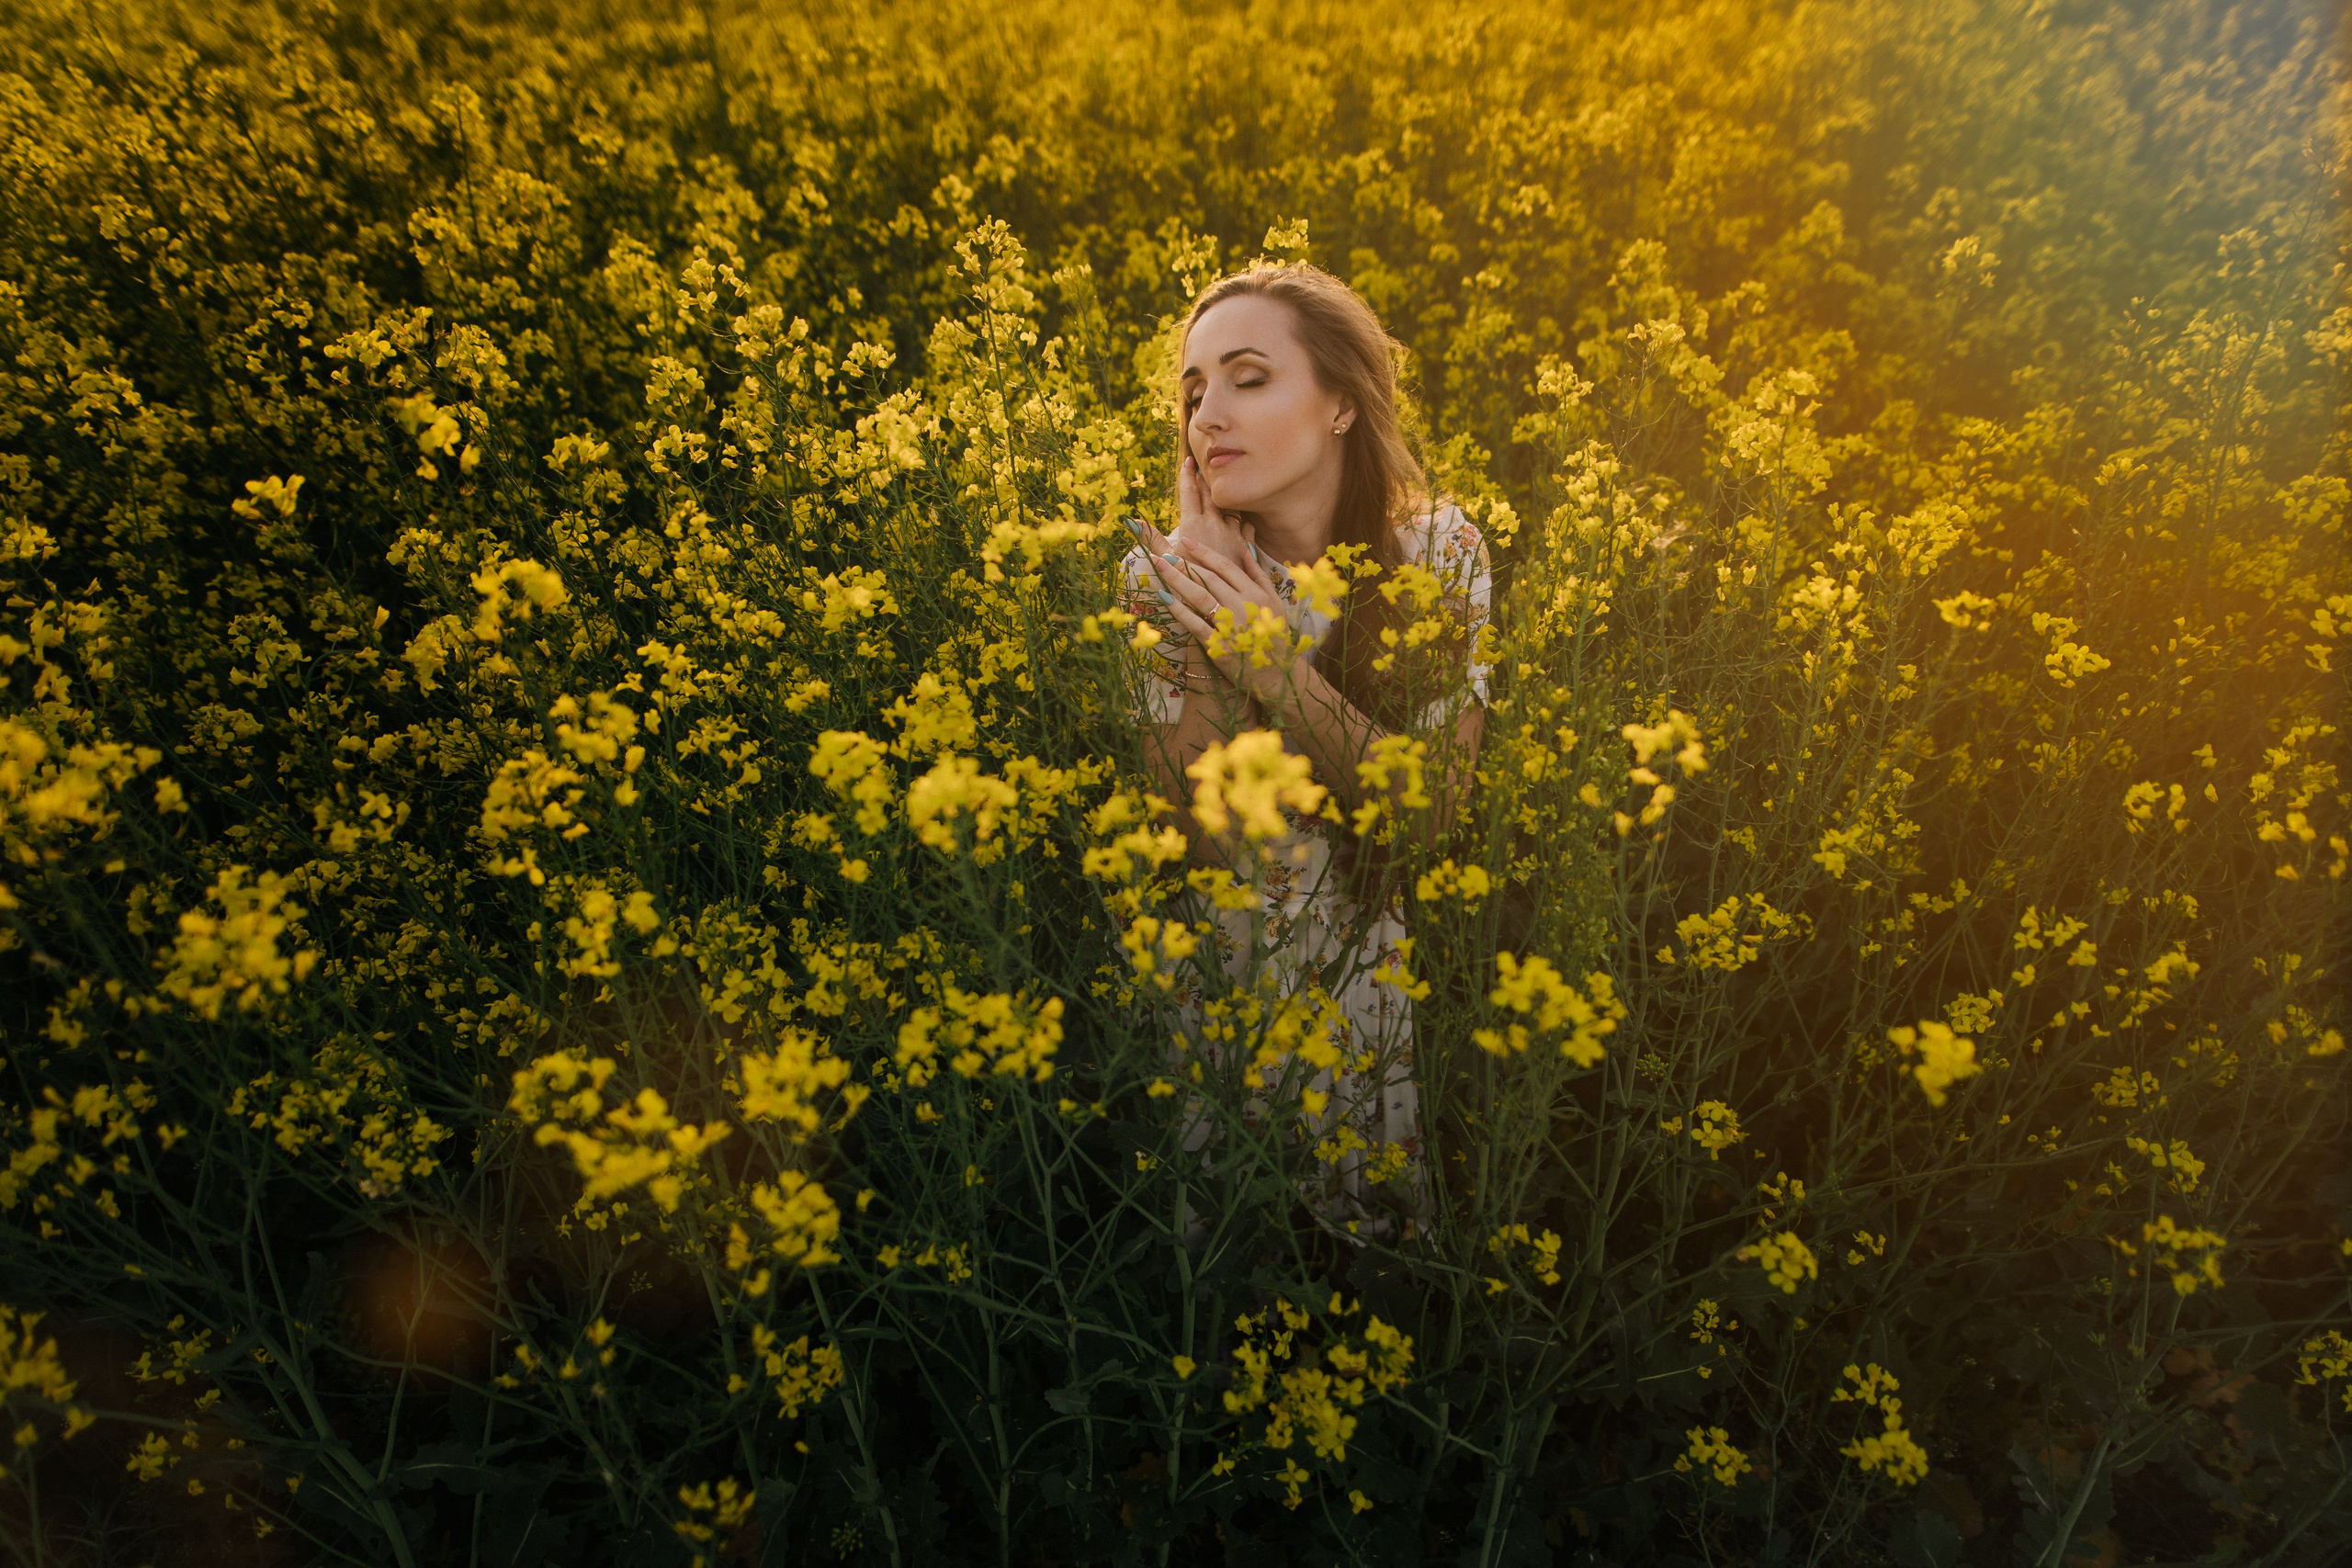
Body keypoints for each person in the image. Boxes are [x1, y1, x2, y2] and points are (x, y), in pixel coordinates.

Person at [1117, 263, 1493, 1238]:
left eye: (1248, 378)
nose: (1207, 416)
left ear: (1340, 405)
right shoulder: (1159, 577)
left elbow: (1429, 816)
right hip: (1223, 993)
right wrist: (1202, 600)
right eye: (1193, 393)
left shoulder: (1441, 556)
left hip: (1375, 999)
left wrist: (1280, 671)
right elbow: (1203, 847)